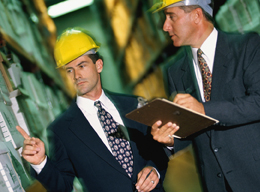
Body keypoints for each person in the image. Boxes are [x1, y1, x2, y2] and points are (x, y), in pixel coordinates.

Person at [150, 0, 260, 191]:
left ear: (197, 15)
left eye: (171, 16)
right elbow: (192, 128)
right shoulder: (174, 71)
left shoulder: (245, 46)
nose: (165, 26)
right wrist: (172, 139)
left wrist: (203, 109)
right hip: (218, 184)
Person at [16, 27, 168, 192]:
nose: (76, 76)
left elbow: (158, 151)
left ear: (99, 65)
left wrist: (155, 170)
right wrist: (40, 163)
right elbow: (63, 186)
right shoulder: (61, 130)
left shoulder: (133, 105)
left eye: (82, 66)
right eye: (69, 70)